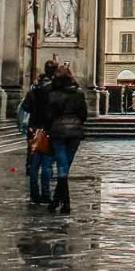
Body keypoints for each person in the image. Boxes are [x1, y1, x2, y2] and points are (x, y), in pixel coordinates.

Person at [45, 63, 88, 214]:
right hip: (75, 133)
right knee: (65, 167)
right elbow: (83, 114)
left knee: (62, 168)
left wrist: (51, 126)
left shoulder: (52, 93)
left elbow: (49, 115)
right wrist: (76, 123)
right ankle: (60, 203)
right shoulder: (79, 92)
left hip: (58, 132)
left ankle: (62, 203)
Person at [22, 60, 58, 206]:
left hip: (34, 130)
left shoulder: (34, 89)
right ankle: (45, 194)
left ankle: (34, 194)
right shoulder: (55, 91)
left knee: (34, 165)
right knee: (47, 165)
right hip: (49, 130)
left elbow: (26, 107)